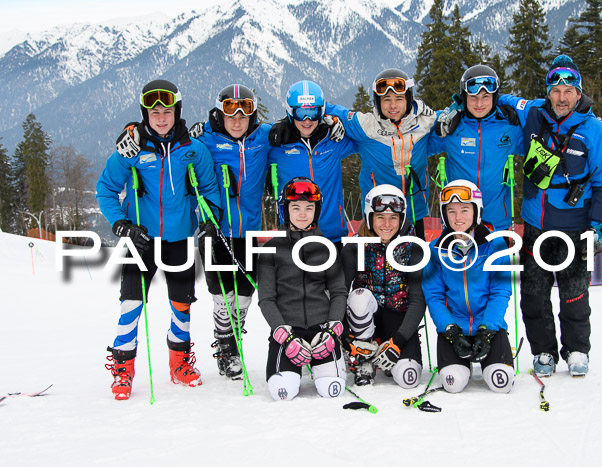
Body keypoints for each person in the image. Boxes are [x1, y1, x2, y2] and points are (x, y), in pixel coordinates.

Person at [115, 84, 272, 381]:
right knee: (221, 293)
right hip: (214, 232)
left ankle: (221, 347)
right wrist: (132, 130)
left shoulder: (264, 137)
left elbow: (299, 124)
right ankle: (226, 349)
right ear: (219, 113)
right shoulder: (205, 139)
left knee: (245, 295)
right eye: (230, 113)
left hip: (250, 229)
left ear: (252, 116)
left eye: (244, 113)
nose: (237, 120)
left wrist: (333, 120)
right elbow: (164, 135)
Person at [97, 79, 221, 400]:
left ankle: (179, 363)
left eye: (167, 111)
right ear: (145, 114)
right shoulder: (131, 148)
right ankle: (122, 371)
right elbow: (106, 189)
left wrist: (209, 219)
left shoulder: (193, 149)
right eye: (154, 112)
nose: (161, 117)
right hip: (140, 239)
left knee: (182, 303)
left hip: (179, 238)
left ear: (176, 111)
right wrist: (120, 223)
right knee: (131, 304)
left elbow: (209, 189)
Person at [499, 55, 602, 377]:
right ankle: (544, 352)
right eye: (556, 89)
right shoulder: (534, 113)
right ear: (548, 91)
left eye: (569, 90)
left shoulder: (596, 131)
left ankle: (577, 350)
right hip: (535, 227)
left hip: (575, 230)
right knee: (533, 297)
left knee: (574, 295)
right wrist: (499, 106)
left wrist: (599, 226)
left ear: (579, 93)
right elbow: (502, 98)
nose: (562, 97)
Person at [257, 178, 348, 401]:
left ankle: (325, 363)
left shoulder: (327, 247)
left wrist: (332, 329)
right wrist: (283, 335)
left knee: (332, 391)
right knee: (283, 394)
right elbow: (266, 298)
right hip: (289, 331)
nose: (302, 214)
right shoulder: (271, 249)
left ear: (317, 211)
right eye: (295, 207)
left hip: (321, 331)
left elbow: (338, 292)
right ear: (285, 210)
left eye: (309, 208)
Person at [422, 180, 514, 394]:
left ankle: (493, 354)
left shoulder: (496, 246)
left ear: (477, 212)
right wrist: (450, 331)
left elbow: (500, 292)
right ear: (445, 215)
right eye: (451, 211)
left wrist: (488, 329)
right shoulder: (435, 250)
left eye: (465, 210)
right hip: (454, 329)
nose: (458, 217)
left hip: (489, 328)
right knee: (453, 384)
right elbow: (434, 296)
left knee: (501, 383)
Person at [323, 68, 437, 239]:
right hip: (376, 218)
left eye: (399, 99)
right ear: (378, 101)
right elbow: (328, 108)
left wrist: (453, 109)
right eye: (386, 99)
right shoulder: (366, 126)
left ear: (408, 99)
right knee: (371, 266)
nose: (392, 106)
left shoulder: (426, 122)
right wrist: (332, 121)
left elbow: (458, 115)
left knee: (414, 265)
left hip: (413, 216)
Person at [341, 184, 425, 388]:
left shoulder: (413, 247)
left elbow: (418, 299)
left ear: (401, 218)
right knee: (359, 296)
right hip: (365, 318)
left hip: (399, 317)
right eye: (380, 217)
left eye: (393, 218)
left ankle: (391, 351)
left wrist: (399, 339)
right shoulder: (355, 246)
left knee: (408, 378)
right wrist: (345, 336)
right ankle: (364, 358)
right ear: (370, 217)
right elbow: (339, 293)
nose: (387, 224)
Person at [429, 64, 524, 231]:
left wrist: (519, 111)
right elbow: (415, 141)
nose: (479, 103)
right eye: (473, 97)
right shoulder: (450, 127)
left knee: (498, 258)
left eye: (486, 97)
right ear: (464, 97)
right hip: (459, 223)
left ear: (495, 97)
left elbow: (538, 138)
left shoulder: (509, 127)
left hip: (497, 222)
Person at [268, 80, 356, 247]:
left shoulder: (333, 141)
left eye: (313, 112)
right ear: (290, 112)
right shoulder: (277, 144)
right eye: (300, 113)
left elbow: (364, 136)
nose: (307, 120)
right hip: (293, 236)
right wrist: (206, 129)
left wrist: (339, 121)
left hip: (332, 235)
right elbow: (245, 140)